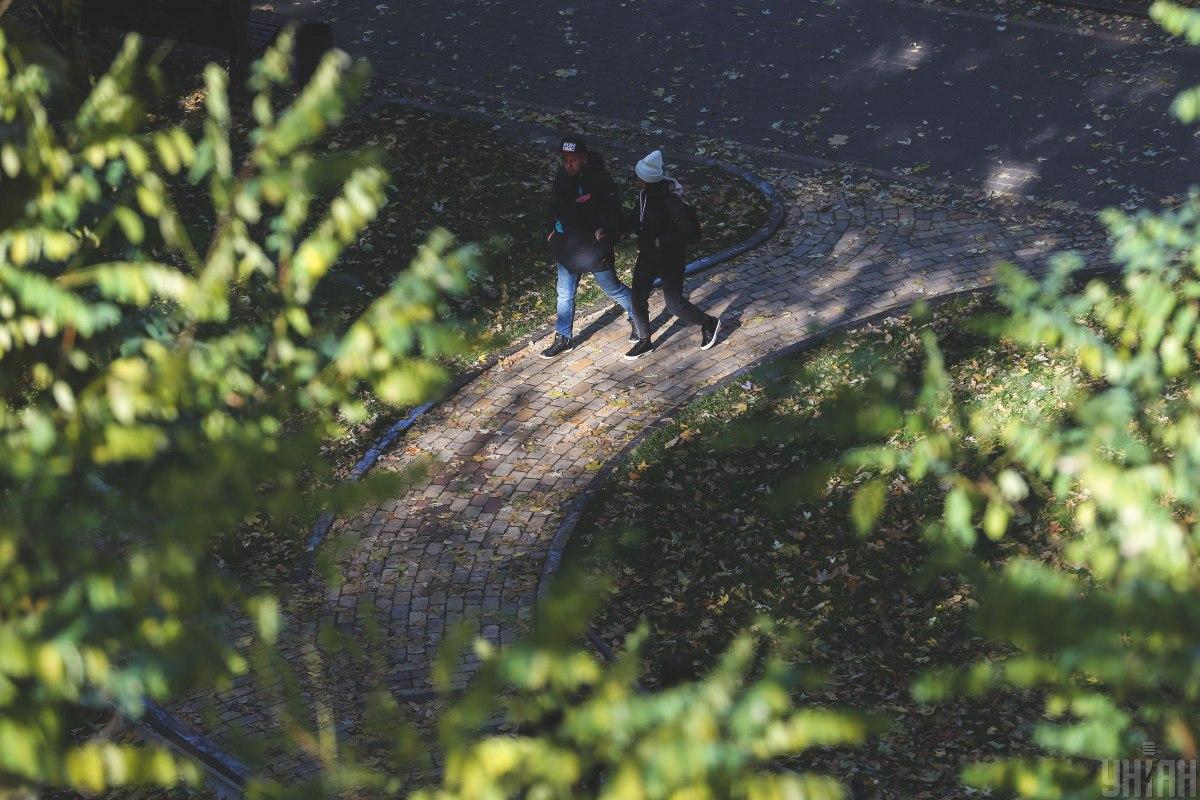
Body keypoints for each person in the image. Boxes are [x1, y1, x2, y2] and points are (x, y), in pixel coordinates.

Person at [541, 136, 638, 359]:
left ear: (584, 159)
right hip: (566, 249)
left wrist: (603, 238)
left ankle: (637, 316)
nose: (568, 165)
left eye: (573, 160)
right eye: (565, 159)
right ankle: (563, 336)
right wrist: (551, 236)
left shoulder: (600, 182)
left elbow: (613, 217)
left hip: (595, 250)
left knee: (612, 288)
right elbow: (555, 211)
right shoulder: (561, 179)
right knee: (564, 293)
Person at [623, 149, 720, 360]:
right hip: (648, 255)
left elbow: (692, 234)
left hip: (670, 258)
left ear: (646, 180)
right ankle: (644, 339)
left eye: (637, 175)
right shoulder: (643, 196)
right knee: (637, 297)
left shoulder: (670, 202)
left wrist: (662, 240)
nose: (633, 178)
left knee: (674, 305)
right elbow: (634, 220)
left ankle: (708, 322)